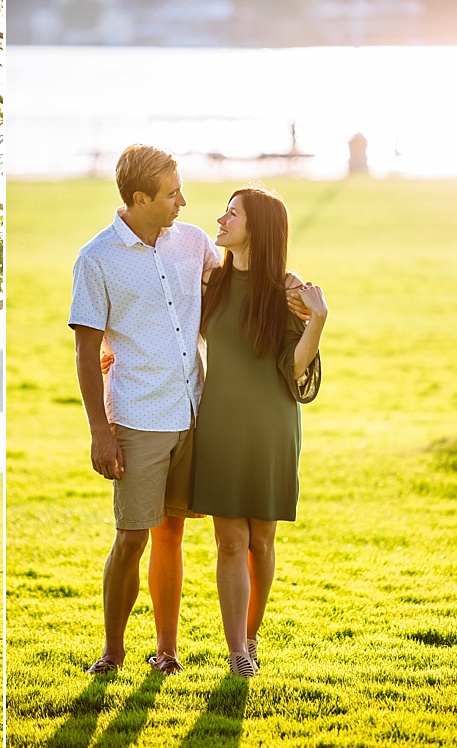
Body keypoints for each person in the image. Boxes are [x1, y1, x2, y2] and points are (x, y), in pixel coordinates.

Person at [69, 144, 224, 676]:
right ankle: (112, 653)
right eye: (171, 193)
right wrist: (100, 431)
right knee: (132, 536)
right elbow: (86, 350)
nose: (183, 200)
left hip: (194, 411)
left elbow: (236, 284)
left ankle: (167, 652)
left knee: (172, 535)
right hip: (138, 418)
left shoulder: (194, 242)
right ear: (139, 199)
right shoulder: (97, 259)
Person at [190, 186, 327, 678]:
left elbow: (294, 369)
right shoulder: (211, 281)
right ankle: (237, 655)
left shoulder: (288, 292)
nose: (221, 220)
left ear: (258, 228)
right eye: (225, 211)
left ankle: (251, 636)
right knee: (229, 540)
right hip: (220, 424)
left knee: (261, 540)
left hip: (272, 424)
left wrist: (319, 321)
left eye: (233, 214)